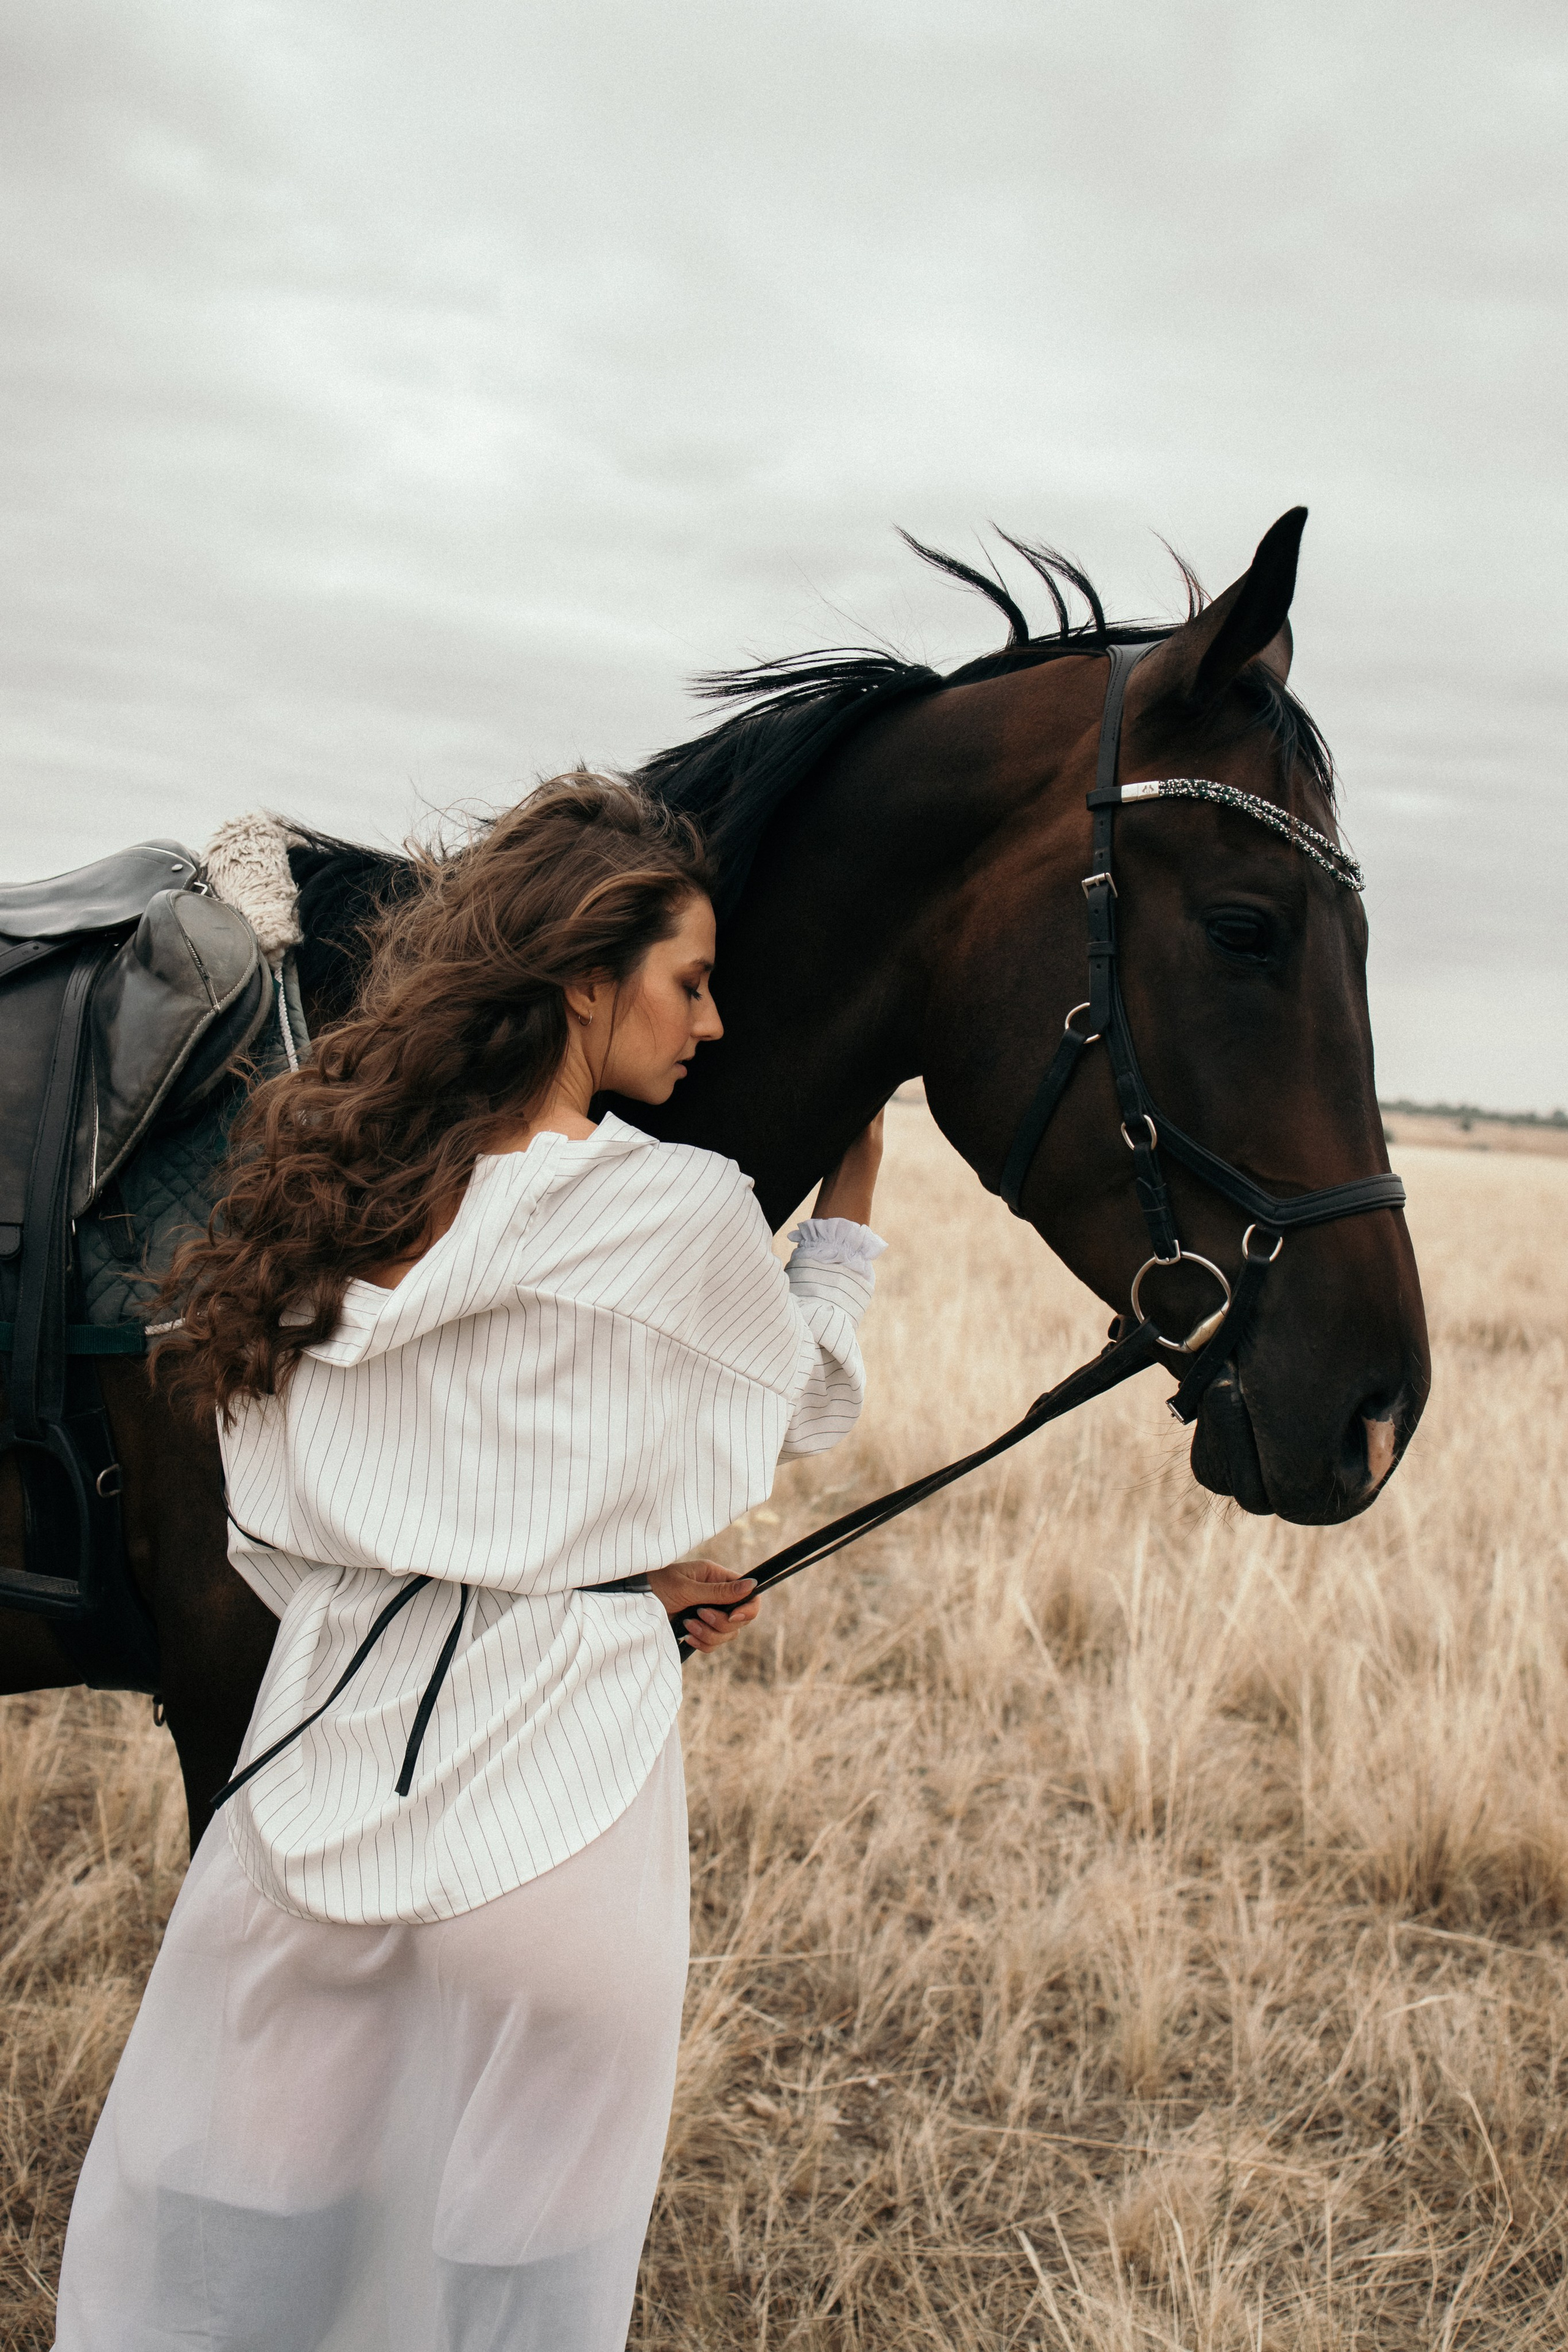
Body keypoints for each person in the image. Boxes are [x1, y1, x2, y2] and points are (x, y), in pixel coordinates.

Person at [54, 775, 885, 2351]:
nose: (710, 1028)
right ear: (585, 979)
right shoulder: (682, 1211)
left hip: (312, 1779)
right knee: (521, 2276)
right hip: (559, 1812)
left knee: (240, 2223)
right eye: (689, 982)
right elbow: (800, 1397)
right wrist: (848, 1204)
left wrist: (596, 1579)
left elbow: (317, 1513)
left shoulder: (330, 1198)